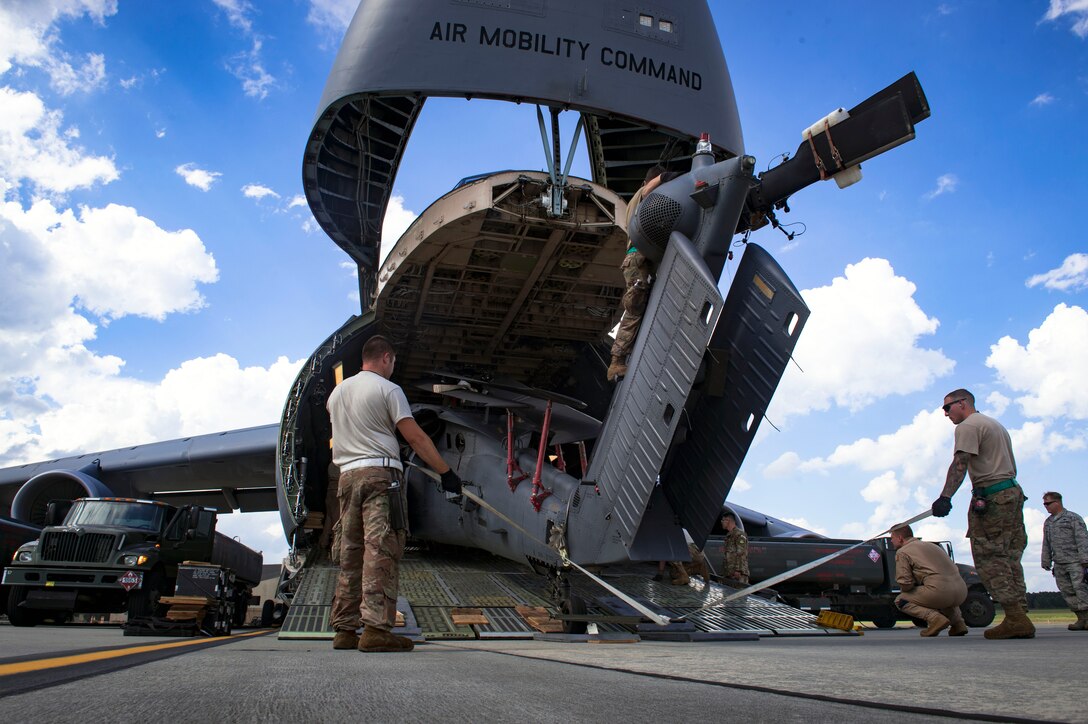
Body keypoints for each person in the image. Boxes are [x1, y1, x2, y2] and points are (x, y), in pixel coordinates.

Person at [327, 335, 462, 652]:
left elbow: (354, 427)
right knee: (380, 550)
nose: (393, 368)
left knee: (351, 553)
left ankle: (344, 630)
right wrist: (446, 472)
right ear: (386, 358)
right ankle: (375, 629)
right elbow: (415, 437)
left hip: (347, 478)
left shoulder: (337, 393)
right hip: (380, 477)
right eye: (393, 362)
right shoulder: (389, 389)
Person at [930, 388, 1033, 639]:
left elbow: (961, 463)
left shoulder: (967, 426)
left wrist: (945, 497)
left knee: (990, 557)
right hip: (1011, 492)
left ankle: (1015, 617)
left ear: (962, 403)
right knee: (1009, 557)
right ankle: (1019, 614)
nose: (946, 414)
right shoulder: (994, 424)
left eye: (947, 408)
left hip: (992, 496)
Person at [607, 165, 672, 382]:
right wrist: (665, 178)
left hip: (641, 260)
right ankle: (616, 362)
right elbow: (647, 190)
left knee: (639, 307)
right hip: (637, 258)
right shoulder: (640, 196)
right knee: (634, 308)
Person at [889, 523, 969, 636]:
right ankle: (958, 624)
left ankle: (935, 619)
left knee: (901, 600)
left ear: (900, 538)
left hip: (940, 591)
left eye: (892, 538)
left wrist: (908, 588)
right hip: (961, 591)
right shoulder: (933, 546)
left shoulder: (903, 552)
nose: (891, 541)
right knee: (944, 595)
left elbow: (905, 582)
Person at [1040, 491, 1088, 630]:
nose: (1046, 507)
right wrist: (1046, 560)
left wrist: (1085, 559)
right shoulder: (1048, 522)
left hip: (1075, 562)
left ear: (1057, 502)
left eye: (1048, 503)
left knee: (1081, 589)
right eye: (1044, 504)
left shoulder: (1072, 518)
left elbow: (1082, 539)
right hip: (1060, 562)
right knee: (1067, 591)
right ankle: (1081, 618)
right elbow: (1046, 543)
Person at [720, 511, 750, 585]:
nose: (722, 522)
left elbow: (741, 553)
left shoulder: (739, 534)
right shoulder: (729, 535)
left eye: (723, 520)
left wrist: (738, 570)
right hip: (729, 573)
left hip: (737, 574)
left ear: (728, 521)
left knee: (739, 595)